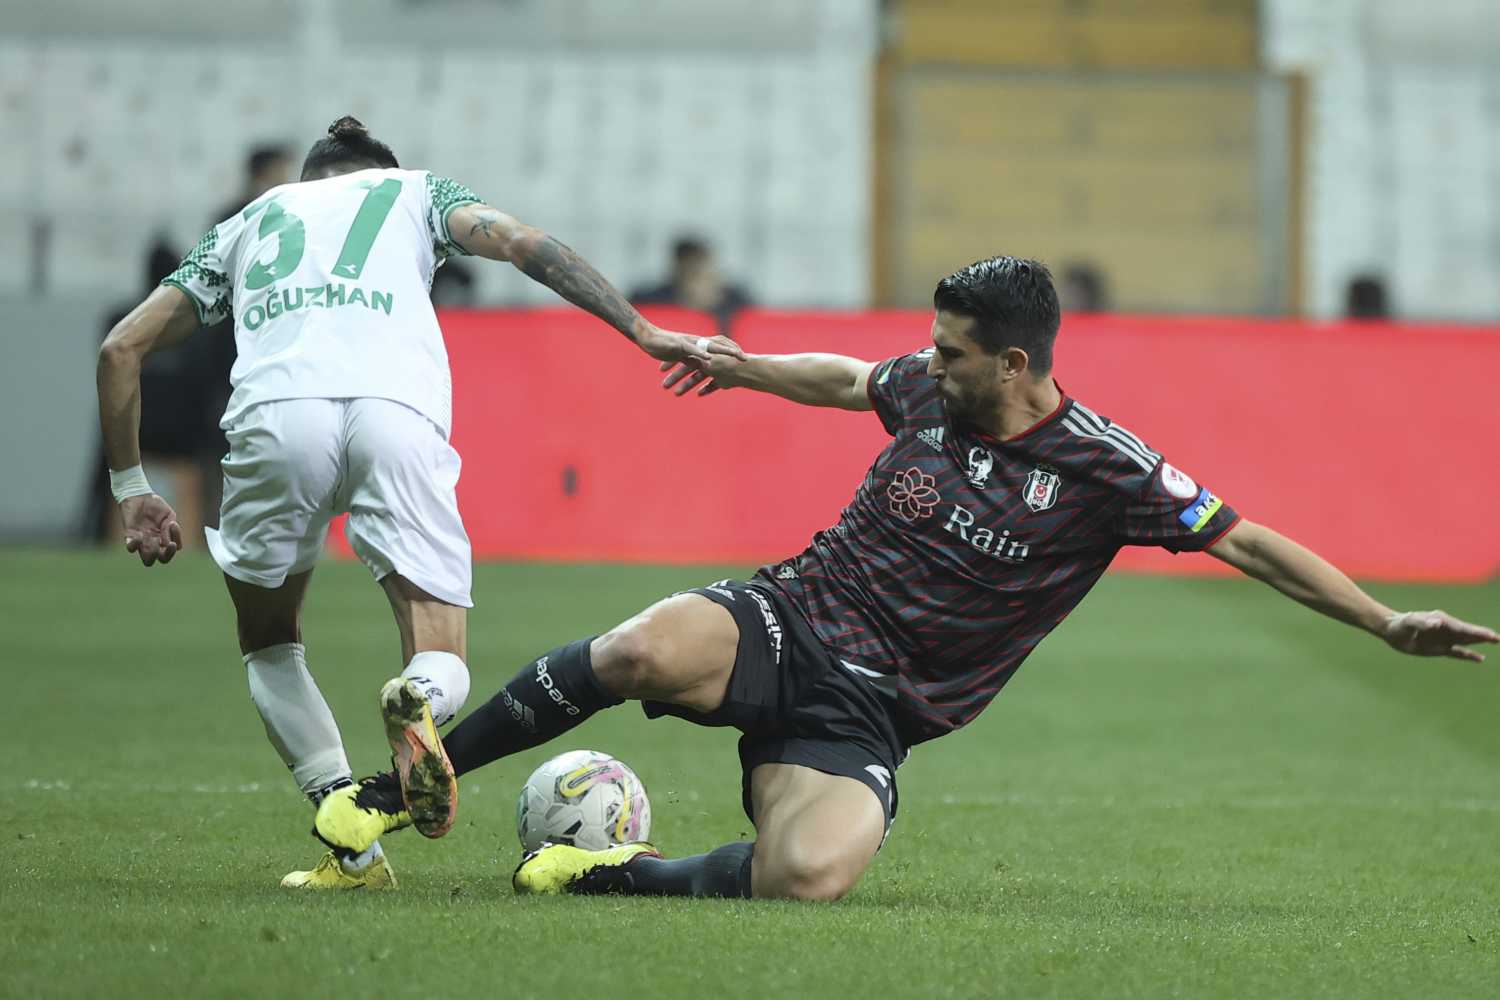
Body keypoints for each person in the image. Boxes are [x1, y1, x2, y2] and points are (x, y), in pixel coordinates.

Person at [315, 255, 1497, 901]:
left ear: (1016, 363)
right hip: (790, 617)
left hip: (881, 708)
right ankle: (393, 788)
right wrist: (740, 366)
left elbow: (1245, 538)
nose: (926, 362)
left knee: (807, 875)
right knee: (636, 650)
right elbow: (845, 379)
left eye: (950, 348)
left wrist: (1386, 621)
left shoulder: (1107, 467)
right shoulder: (934, 388)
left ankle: (604, 873)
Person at [95, 116, 742, 891]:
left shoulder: (247, 222)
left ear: (311, 179)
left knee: (269, 644)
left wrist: (132, 489)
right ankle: (421, 696)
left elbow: (119, 349)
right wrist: (640, 329)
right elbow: (525, 244)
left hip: (275, 417)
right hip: (395, 417)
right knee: (439, 648)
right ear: (378, 171)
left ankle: (352, 843)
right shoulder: (417, 193)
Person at [630, 235, 753, 332]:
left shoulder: (733, 298)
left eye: (699, 263)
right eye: (689, 266)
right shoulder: (651, 298)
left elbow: (751, 324)